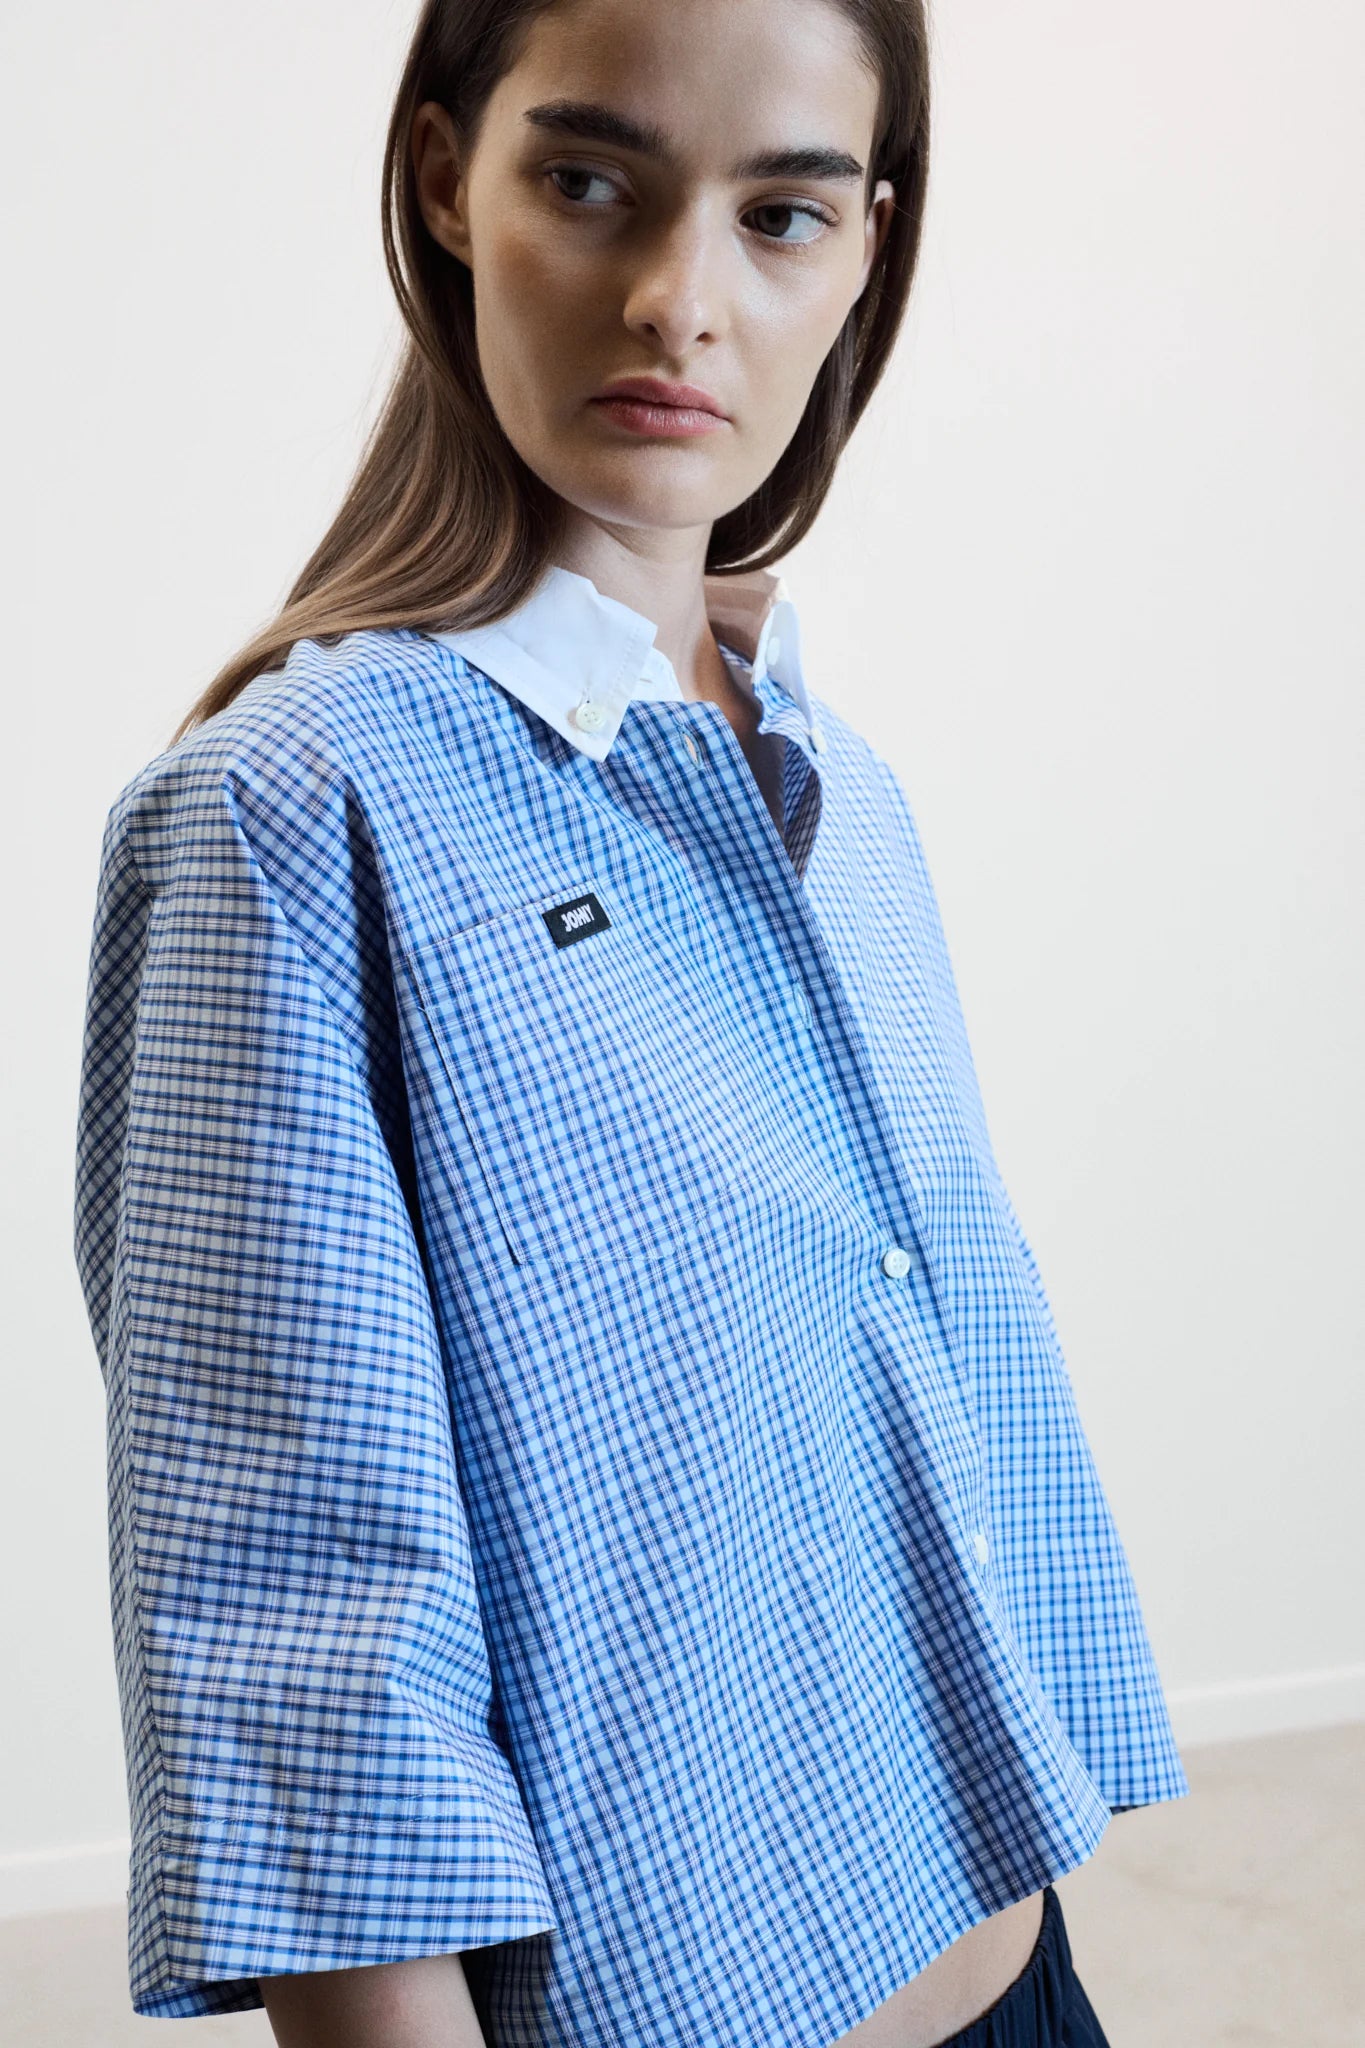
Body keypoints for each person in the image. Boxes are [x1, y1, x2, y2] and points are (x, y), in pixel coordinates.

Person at [73, 1, 1188, 2043]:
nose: (681, 299)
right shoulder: (296, 815)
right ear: (446, 182)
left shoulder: (839, 791)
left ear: (865, 243)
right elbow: (308, 1632)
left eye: (780, 213)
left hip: (1025, 1966)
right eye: (590, 182)